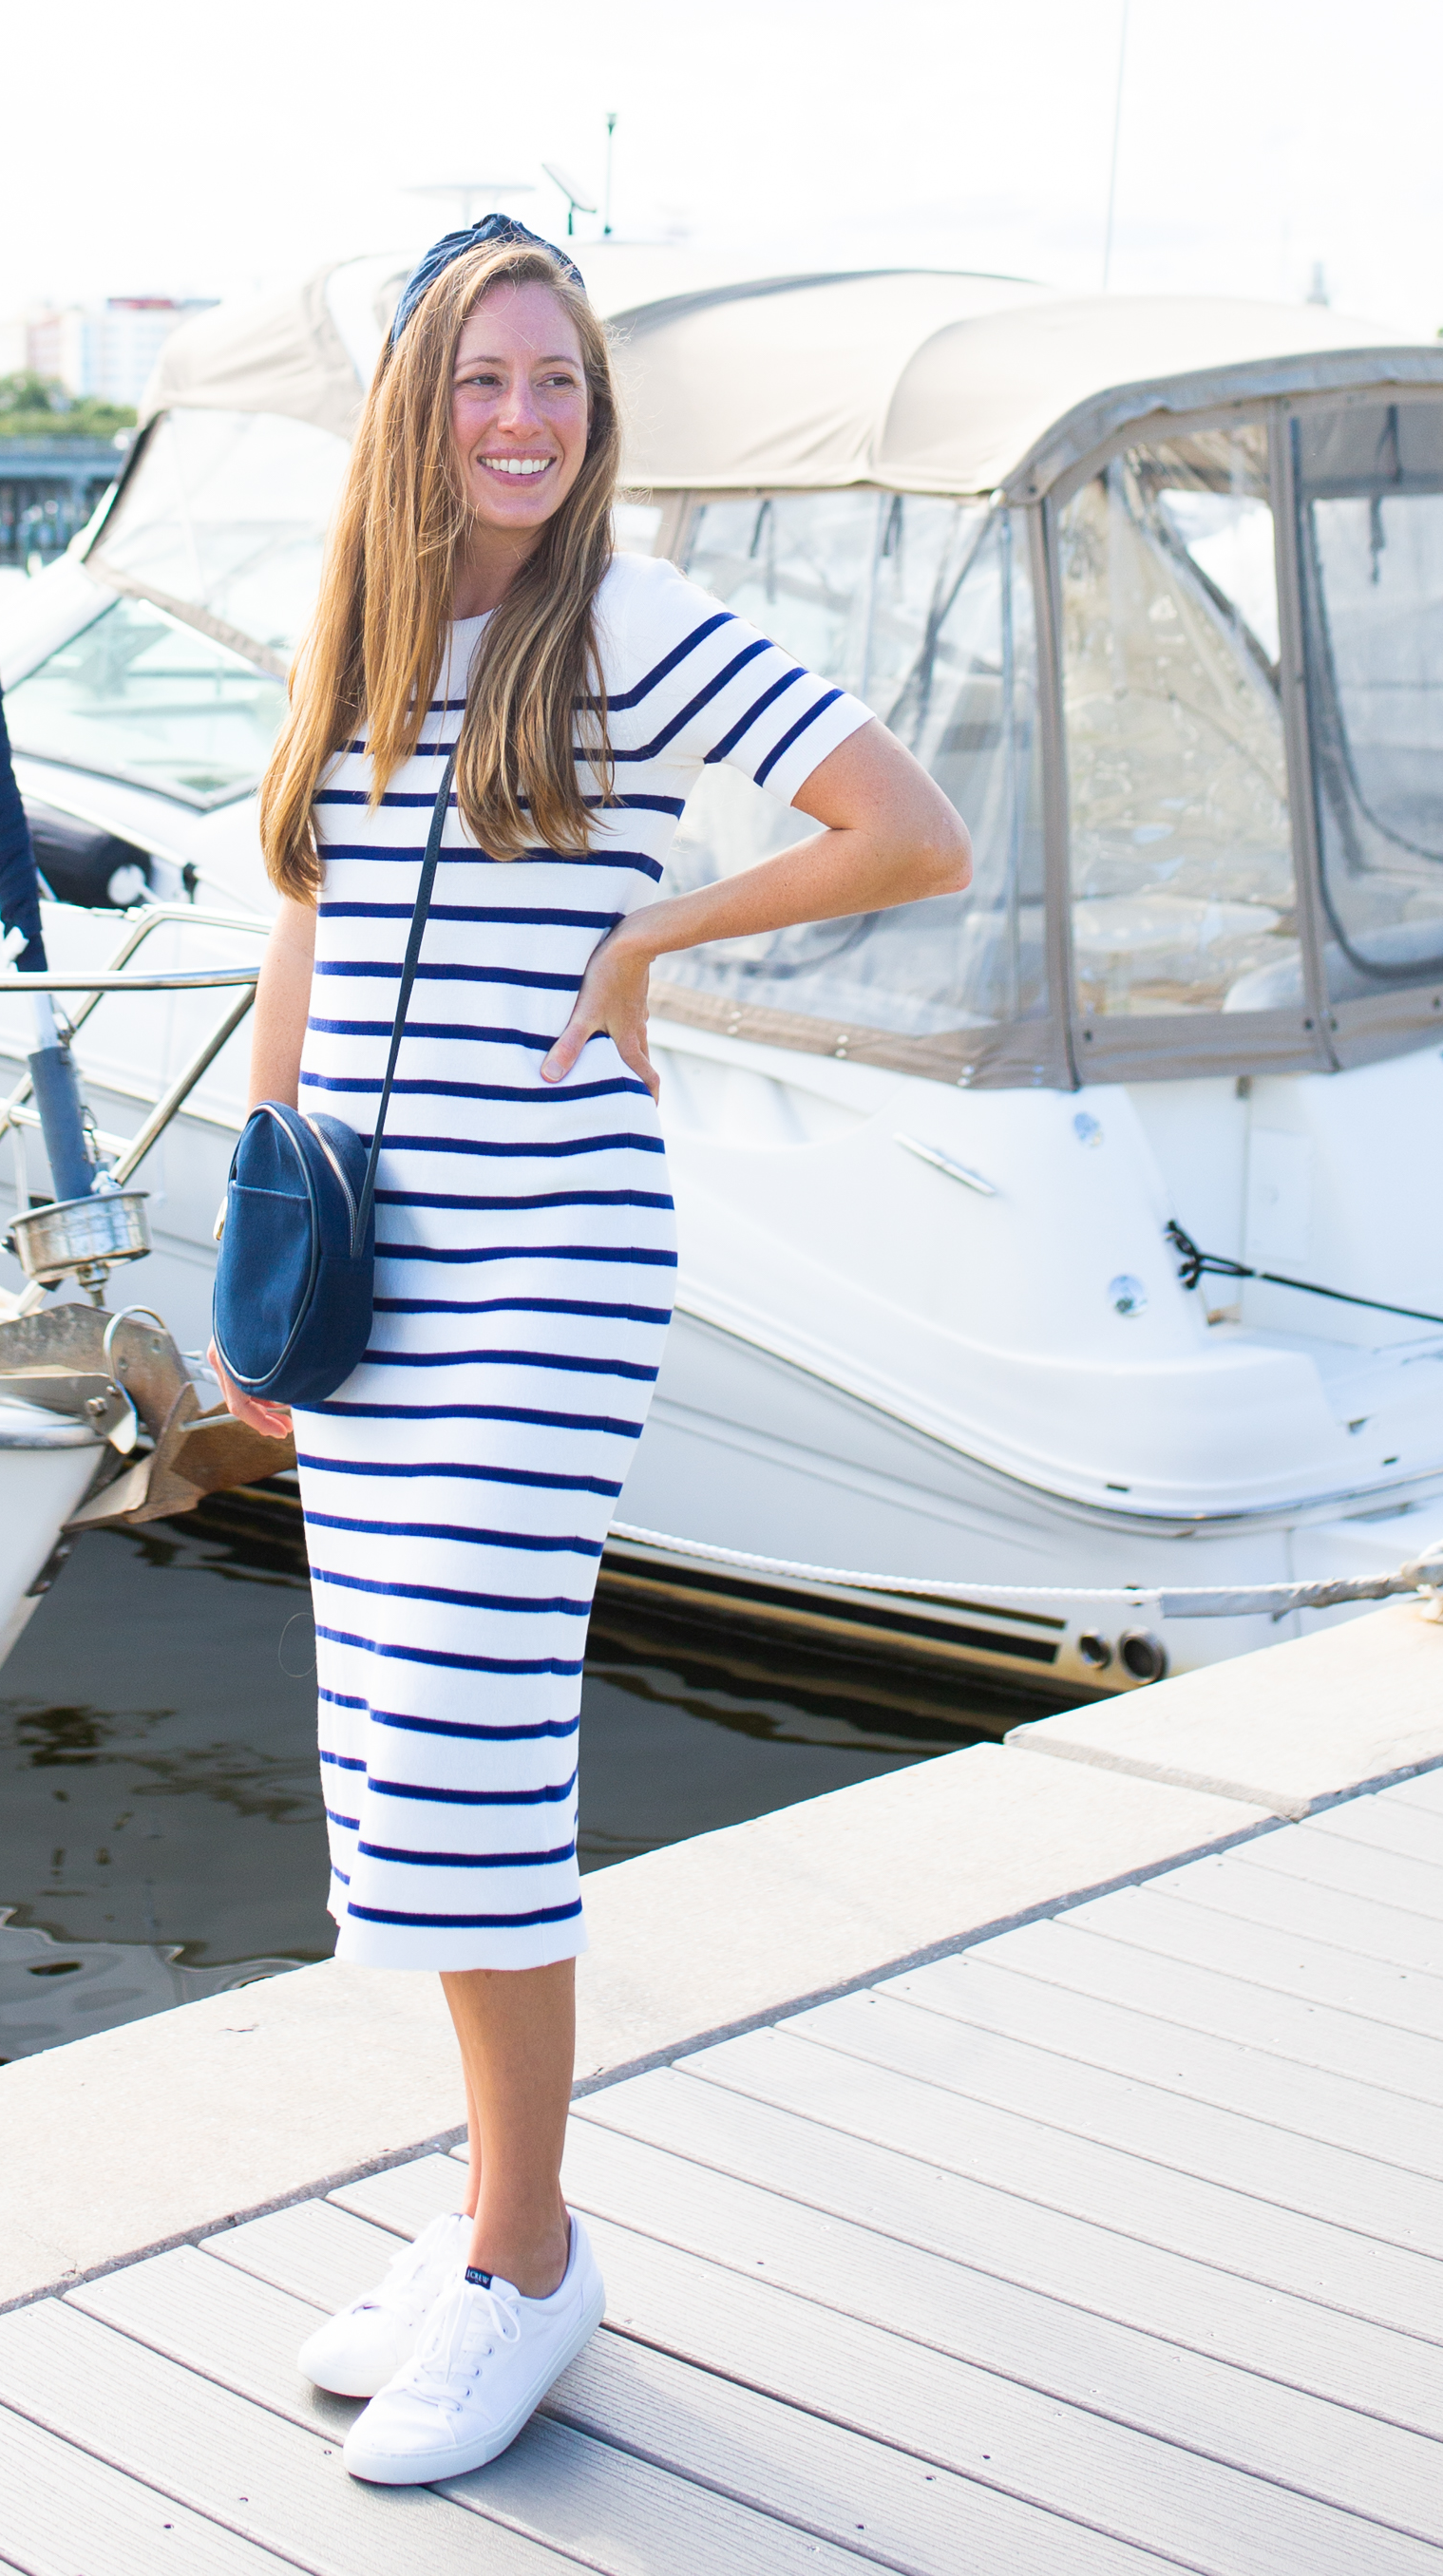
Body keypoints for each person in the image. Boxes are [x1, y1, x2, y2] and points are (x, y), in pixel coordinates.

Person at [210, 214, 969, 2486]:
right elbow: (306, 933)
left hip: (546, 1260)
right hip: (370, 1257)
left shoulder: (630, 624)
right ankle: (484, 2228)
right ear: (415, 410)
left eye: (557, 382)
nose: (524, 418)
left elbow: (904, 835)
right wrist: (267, 1244)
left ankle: (531, 2263)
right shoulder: (356, 632)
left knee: (463, 1763)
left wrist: (653, 930)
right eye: (483, 382)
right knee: (386, 1759)